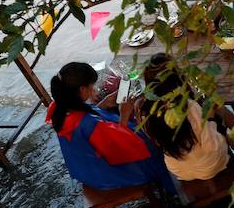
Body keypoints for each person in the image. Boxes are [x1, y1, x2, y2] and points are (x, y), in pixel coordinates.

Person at [47, 62, 174, 192]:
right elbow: (121, 147)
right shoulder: (89, 124)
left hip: (83, 168)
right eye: (91, 86)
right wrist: (124, 114)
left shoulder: (60, 107)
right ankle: (173, 188)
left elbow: (83, 118)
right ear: (82, 89)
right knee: (154, 149)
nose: (93, 89)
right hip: (106, 174)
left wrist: (104, 104)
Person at [141, 55, 234, 184]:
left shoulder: (147, 110)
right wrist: (211, 119)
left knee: (208, 121)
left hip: (178, 169)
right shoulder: (188, 106)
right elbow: (212, 145)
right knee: (219, 108)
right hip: (209, 165)